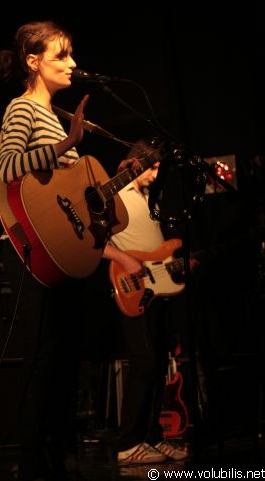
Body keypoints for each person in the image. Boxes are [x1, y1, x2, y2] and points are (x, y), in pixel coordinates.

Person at [0, 19, 139, 481]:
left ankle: (59, 461)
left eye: (72, 54)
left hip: (65, 257)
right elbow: (8, 166)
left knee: (67, 364)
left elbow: (68, 197)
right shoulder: (23, 110)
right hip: (33, 257)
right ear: (33, 62)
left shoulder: (53, 116)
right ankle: (35, 465)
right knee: (44, 361)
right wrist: (66, 144)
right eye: (61, 55)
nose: (73, 64)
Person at [103, 138, 192, 464]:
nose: (155, 175)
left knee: (157, 365)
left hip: (158, 288)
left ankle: (152, 437)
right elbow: (91, 240)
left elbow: (154, 250)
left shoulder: (147, 199)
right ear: (134, 163)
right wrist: (125, 261)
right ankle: (127, 444)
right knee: (144, 363)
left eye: (158, 168)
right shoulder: (115, 196)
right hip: (131, 287)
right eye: (151, 168)